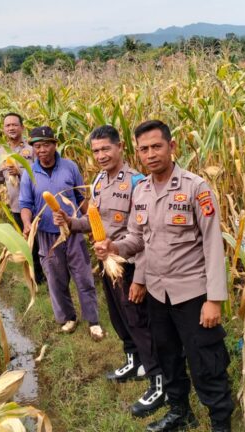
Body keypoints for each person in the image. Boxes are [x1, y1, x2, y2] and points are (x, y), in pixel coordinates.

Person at [95, 120, 234, 432]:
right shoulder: (141, 191)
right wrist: (114, 247)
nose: (150, 154)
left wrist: (214, 299)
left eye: (156, 146)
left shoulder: (195, 188)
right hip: (158, 293)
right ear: (137, 153)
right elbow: (137, 239)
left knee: (206, 362)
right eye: (144, 149)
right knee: (167, 356)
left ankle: (221, 422)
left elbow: (213, 245)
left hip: (192, 294)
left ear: (172, 147)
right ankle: (180, 412)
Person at [52, 125, 164, 417]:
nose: (101, 155)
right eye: (96, 151)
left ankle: (159, 380)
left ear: (120, 147)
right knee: (119, 318)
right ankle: (134, 361)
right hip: (107, 262)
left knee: (139, 322)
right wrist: (70, 222)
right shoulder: (100, 181)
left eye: (106, 149)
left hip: (131, 264)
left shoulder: (138, 183)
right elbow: (94, 223)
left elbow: (146, 234)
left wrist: (138, 277)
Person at [19, 126, 105, 340]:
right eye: (37, 146)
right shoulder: (29, 172)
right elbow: (26, 204)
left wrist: (91, 225)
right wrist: (27, 223)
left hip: (73, 231)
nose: (41, 150)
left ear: (55, 145)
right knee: (55, 279)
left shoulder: (70, 167)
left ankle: (93, 320)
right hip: (47, 234)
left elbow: (81, 199)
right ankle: (68, 318)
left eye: (45, 145)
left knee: (83, 277)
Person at [0, 112, 45, 284]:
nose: (11, 128)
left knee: (40, 241)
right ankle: (34, 275)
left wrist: (21, 171)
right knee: (26, 242)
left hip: (36, 203)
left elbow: (41, 174)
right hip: (15, 205)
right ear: (4, 129)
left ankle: (47, 274)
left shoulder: (32, 149)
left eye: (14, 125)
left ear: (22, 127)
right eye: (7, 125)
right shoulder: (0, 152)